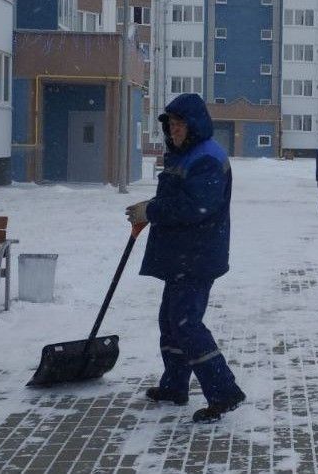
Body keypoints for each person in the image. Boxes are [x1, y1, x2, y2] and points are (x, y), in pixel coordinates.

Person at [125, 93, 246, 423]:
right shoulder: (184, 154)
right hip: (182, 254)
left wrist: (152, 210)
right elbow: (176, 196)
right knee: (170, 320)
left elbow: (195, 207)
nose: (174, 131)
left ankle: (224, 392)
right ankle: (175, 385)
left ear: (193, 125)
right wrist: (151, 207)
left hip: (197, 255)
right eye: (171, 125)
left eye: (179, 125)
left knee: (185, 323)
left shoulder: (206, 157)